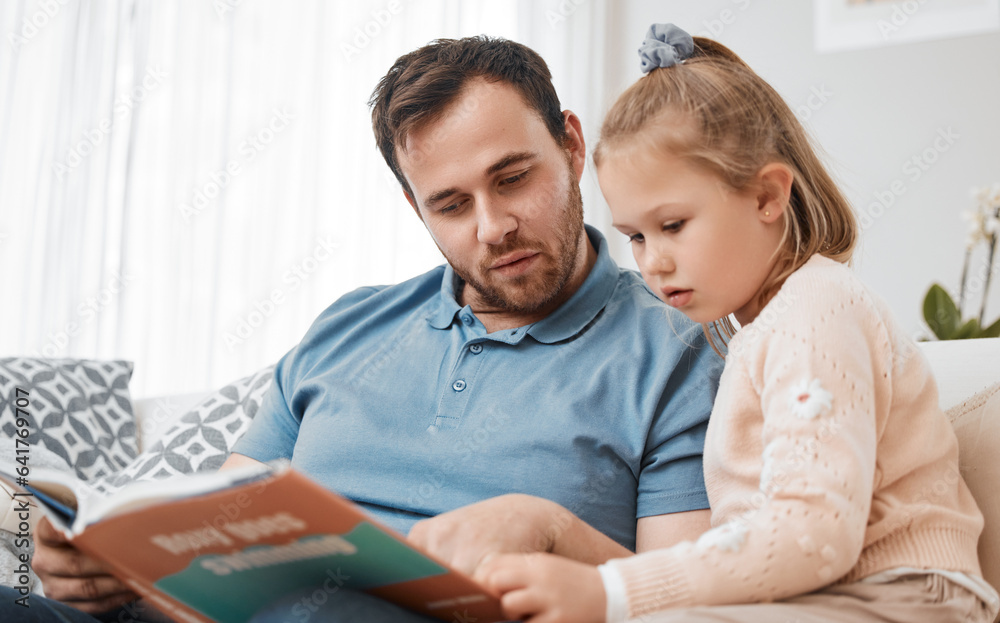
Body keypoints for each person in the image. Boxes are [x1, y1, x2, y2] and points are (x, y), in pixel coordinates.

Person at [2, 35, 724, 622]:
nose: (494, 226)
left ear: (570, 146)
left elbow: (691, 601)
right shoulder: (348, 327)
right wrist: (116, 573)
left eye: (513, 178)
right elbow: (208, 564)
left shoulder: (672, 351)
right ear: (415, 208)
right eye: (450, 203)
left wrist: (552, 526)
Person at [473, 24, 1000, 623]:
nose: (654, 261)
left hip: (906, 598)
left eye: (673, 225)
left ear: (767, 196)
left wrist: (615, 592)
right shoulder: (754, 330)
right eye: (637, 237)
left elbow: (812, 534)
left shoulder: (814, 314)